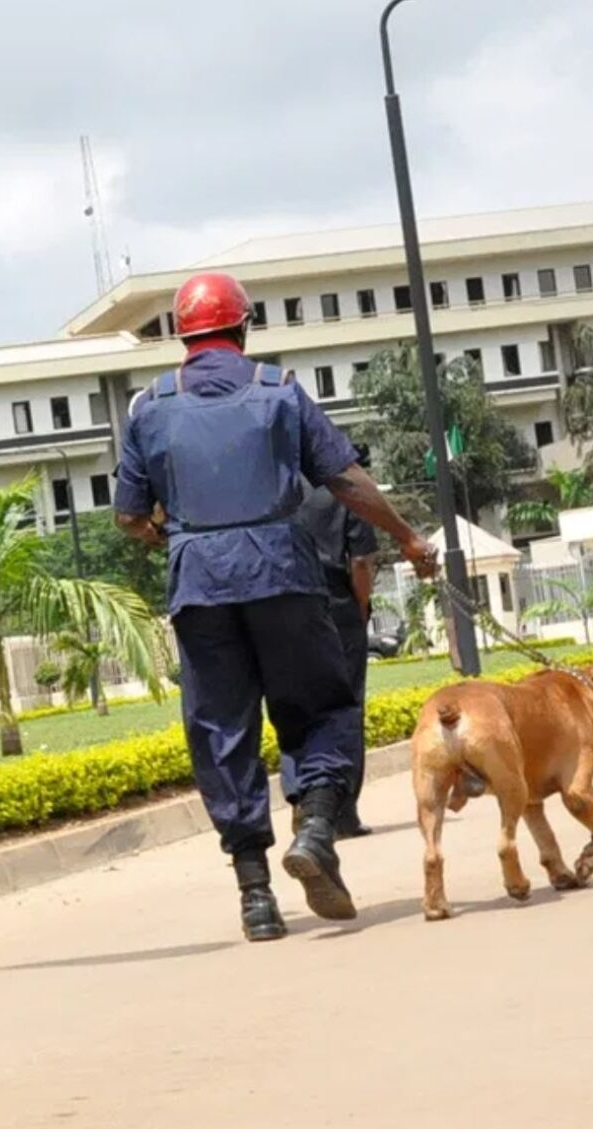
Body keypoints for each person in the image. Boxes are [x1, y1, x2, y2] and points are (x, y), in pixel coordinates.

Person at [114, 271, 437, 944]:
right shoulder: (280, 392)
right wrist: (406, 535)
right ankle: (316, 828)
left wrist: (165, 537)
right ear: (243, 327)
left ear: (183, 336)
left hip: (199, 584)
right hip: (282, 574)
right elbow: (343, 477)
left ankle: (255, 896)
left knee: (220, 731)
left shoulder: (149, 407)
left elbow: (128, 515)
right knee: (321, 704)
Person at [291, 481, 380, 838]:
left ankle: (304, 804)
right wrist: (359, 605)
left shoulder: (274, 486)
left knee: (297, 708)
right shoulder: (347, 492)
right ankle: (340, 812)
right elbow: (360, 561)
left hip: (286, 605)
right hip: (337, 604)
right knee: (345, 707)